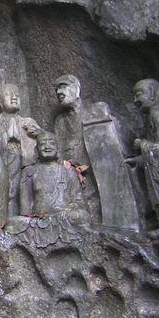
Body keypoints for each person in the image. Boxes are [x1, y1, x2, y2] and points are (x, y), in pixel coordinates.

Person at [0, 83, 41, 216]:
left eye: (17, 94)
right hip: (1, 169)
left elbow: (47, 144)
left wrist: (39, 133)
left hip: (25, 169)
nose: (14, 97)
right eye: (9, 94)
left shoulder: (28, 122)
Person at [52, 75, 101, 223]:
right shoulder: (60, 121)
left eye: (63, 86)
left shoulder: (93, 112)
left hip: (92, 173)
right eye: (57, 89)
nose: (59, 92)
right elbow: (58, 150)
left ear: (76, 89)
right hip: (70, 175)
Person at [127, 79, 159, 216]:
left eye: (138, 95)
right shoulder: (152, 116)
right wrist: (138, 159)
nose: (135, 100)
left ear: (152, 94)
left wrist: (141, 144)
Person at [19, 132, 89, 224]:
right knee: (15, 223)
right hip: (38, 220)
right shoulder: (29, 171)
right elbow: (25, 208)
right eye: (43, 143)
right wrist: (27, 219)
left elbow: (78, 199)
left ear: (58, 148)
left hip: (65, 216)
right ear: (36, 150)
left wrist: (69, 208)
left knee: (82, 216)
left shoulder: (68, 170)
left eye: (51, 143)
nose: (47, 146)